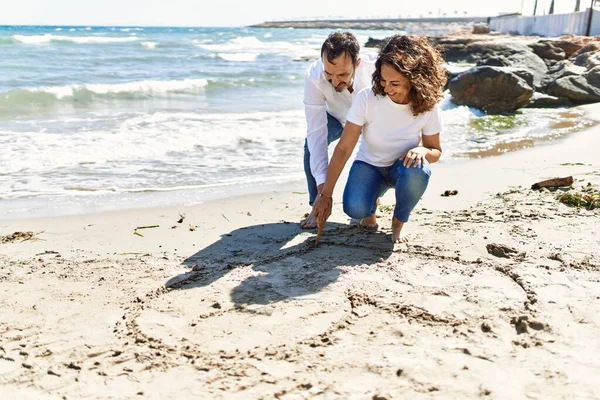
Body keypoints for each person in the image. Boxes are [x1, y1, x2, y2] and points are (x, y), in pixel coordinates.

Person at [312, 34, 446, 243]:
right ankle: (371, 206)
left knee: (419, 170)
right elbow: (344, 148)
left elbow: (435, 151)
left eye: (395, 83)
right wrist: (325, 195)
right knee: (354, 209)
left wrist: (422, 150)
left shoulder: (427, 106)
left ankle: (399, 220)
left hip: (403, 169)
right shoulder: (367, 97)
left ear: (415, 80)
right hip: (369, 165)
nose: (386, 88)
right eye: (383, 80)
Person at [301, 31, 376, 229]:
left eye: (342, 74)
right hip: (334, 116)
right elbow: (316, 134)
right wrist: (323, 194)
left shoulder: (375, 70)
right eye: (329, 75)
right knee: (310, 147)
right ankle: (316, 207)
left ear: (357, 64)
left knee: (376, 151)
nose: (335, 82)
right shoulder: (314, 76)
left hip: (370, 117)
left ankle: (372, 204)